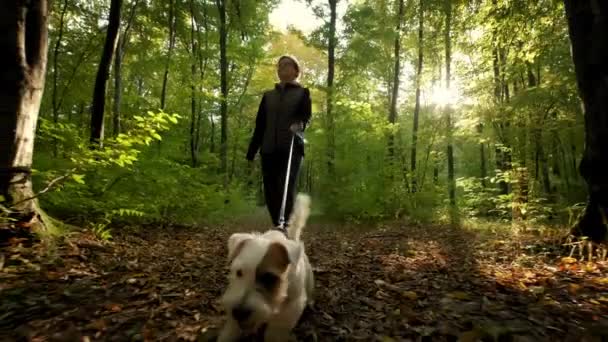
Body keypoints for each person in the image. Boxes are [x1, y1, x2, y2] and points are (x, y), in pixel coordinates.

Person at [246, 55, 312, 229]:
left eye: (286, 65)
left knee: (286, 188)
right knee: (270, 191)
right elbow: (260, 125)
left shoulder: (303, 93)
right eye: (280, 66)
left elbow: (305, 116)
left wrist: (299, 124)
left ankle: (286, 226)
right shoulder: (268, 96)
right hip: (268, 149)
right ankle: (278, 224)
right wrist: (251, 151)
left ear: (296, 71)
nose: (282, 68)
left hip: (291, 148)